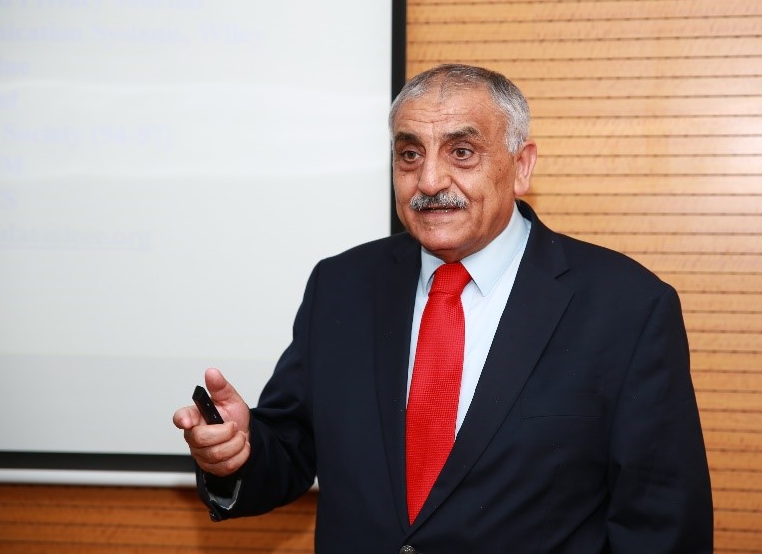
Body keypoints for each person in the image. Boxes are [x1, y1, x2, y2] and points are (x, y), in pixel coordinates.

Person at [172, 63, 713, 552]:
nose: (429, 181)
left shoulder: (627, 308)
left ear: (521, 167)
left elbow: (660, 524)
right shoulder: (340, 286)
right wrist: (238, 455)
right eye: (410, 154)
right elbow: (291, 448)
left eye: (462, 152)